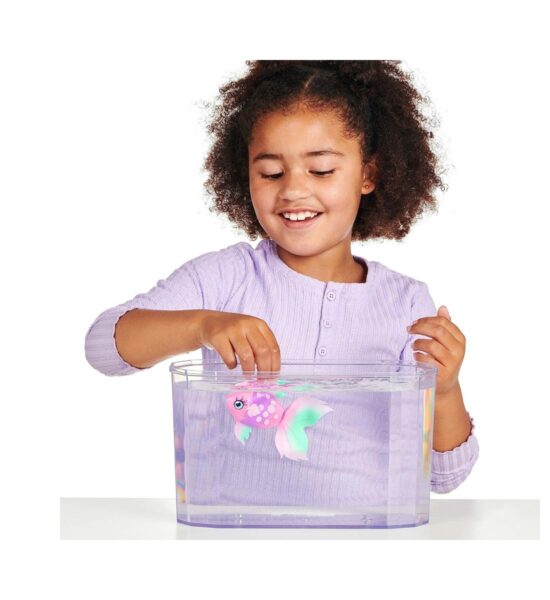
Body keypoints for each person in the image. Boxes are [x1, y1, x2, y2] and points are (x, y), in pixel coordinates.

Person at [84, 60, 478, 495]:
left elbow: (444, 477)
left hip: (366, 532)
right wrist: (202, 325)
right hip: (234, 527)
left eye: (321, 170)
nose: (292, 190)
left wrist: (445, 391)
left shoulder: (405, 304)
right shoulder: (228, 277)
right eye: (271, 172)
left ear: (367, 174)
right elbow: (103, 348)